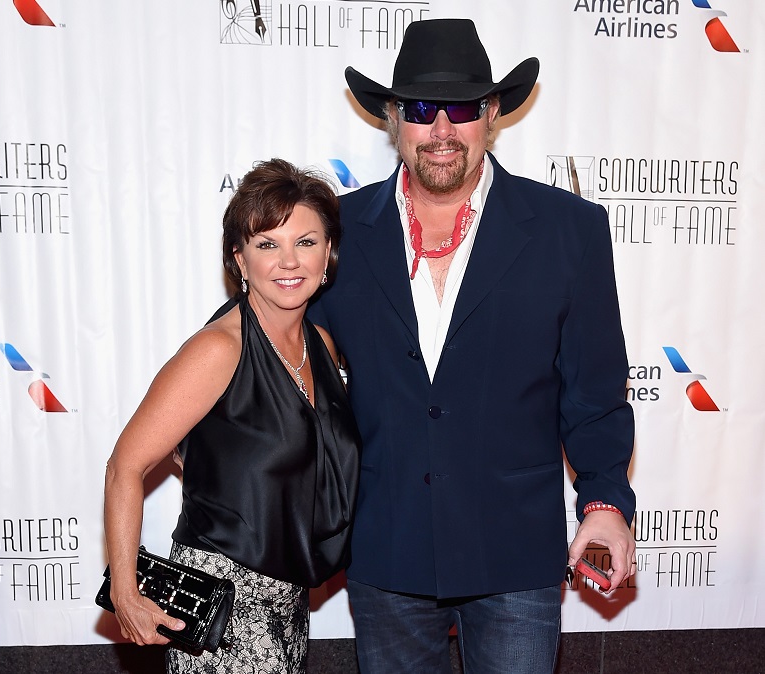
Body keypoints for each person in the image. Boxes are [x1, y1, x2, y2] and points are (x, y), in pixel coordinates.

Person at [307, 18, 636, 674]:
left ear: (490, 115)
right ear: (393, 119)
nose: (441, 129)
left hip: (515, 555)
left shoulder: (569, 231)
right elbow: (268, 341)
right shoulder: (335, 231)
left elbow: (595, 394)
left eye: (460, 109)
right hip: (387, 549)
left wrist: (604, 502)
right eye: (421, 110)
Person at [103, 158, 361, 673]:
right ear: (239, 260)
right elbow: (124, 466)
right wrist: (125, 591)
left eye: (305, 242)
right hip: (221, 604)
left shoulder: (322, 346)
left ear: (328, 252)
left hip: (289, 601)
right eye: (267, 244)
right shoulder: (219, 350)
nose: (289, 261)